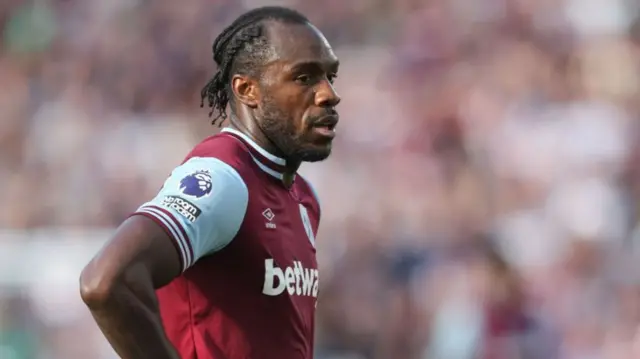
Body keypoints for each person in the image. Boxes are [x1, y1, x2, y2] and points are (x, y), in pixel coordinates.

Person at [79, 6, 341, 359]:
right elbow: (106, 282)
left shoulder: (303, 197)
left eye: (330, 77)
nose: (328, 94)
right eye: (305, 77)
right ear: (247, 89)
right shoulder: (223, 179)